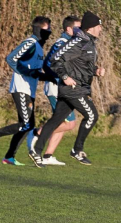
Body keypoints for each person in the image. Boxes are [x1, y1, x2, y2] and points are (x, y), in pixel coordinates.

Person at [29, 11, 105, 168]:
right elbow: (54, 59)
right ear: (91, 28)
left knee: (56, 120)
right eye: (99, 26)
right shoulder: (79, 41)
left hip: (76, 88)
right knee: (91, 116)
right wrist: (64, 77)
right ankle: (77, 150)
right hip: (73, 89)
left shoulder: (89, 42)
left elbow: (82, 65)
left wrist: (95, 70)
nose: (101, 29)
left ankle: (36, 151)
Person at [0, 16, 55, 165]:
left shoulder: (39, 48)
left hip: (29, 91)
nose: (49, 32)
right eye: (47, 29)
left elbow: (35, 73)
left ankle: (9, 156)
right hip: (21, 89)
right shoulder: (30, 43)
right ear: (39, 29)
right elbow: (11, 58)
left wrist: (52, 78)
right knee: (26, 124)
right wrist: (27, 72)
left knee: (27, 125)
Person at [27, 15, 81, 166]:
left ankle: (48, 155)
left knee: (63, 121)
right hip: (56, 88)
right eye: (78, 28)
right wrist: (61, 78)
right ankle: (37, 133)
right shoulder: (62, 43)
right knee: (70, 124)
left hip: (64, 89)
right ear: (69, 29)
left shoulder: (72, 43)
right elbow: (49, 63)